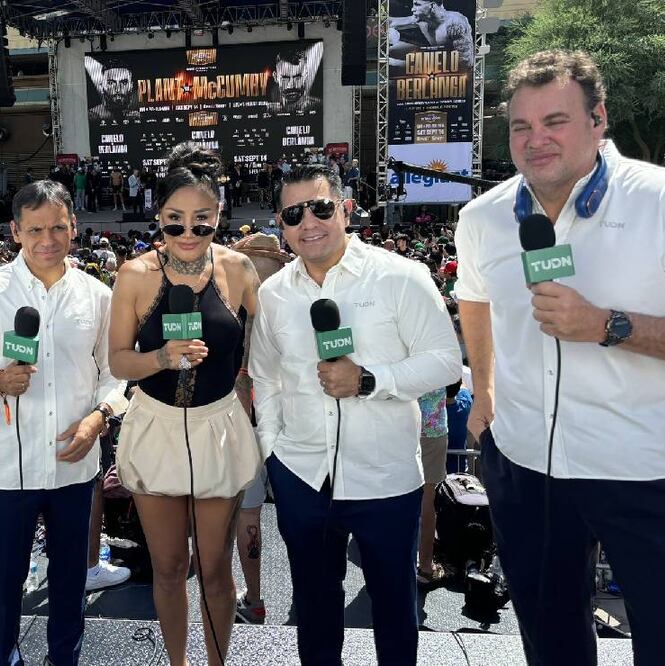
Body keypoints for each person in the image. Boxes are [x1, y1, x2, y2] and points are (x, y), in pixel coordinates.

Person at [454, 50, 665, 666]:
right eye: (521, 127)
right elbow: (475, 300)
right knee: (552, 647)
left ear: (599, 119)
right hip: (527, 466)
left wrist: (606, 325)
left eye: (555, 121)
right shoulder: (483, 217)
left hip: (649, 468)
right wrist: (484, 393)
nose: (535, 139)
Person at [250, 164, 461, 665]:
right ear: (281, 224)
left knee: (393, 609)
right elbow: (266, 377)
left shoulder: (401, 277)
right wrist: (272, 452)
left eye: (321, 208)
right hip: (302, 474)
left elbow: (444, 362)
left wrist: (369, 381)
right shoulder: (274, 294)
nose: (309, 222)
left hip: (386, 479)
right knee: (314, 610)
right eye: (294, 213)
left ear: (345, 210)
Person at [0, 180, 126, 665]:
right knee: (2, 585)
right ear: (15, 231)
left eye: (59, 227)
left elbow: (115, 376)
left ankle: (64, 659)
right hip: (8, 470)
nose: (48, 239)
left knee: (70, 582)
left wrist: (99, 419)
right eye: (36, 229)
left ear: (74, 227)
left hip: (74, 466)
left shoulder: (96, 294)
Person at [108, 143, 262, 666]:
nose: (189, 234)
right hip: (156, 426)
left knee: (216, 566)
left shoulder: (240, 270)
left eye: (203, 220)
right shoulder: (134, 275)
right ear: (158, 218)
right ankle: (177, 662)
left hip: (218, 425)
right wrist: (159, 358)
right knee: (171, 565)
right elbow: (118, 362)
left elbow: (269, 350)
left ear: (221, 214)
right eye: (175, 222)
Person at [228, 233, 293, 625]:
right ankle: (308, 590)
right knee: (298, 513)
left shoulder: (227, 301)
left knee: (247, 516)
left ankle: (254, 599)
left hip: (243, 415)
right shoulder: (291, 298)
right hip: (289, 417)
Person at [415, 387, 448, 585]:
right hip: (433, 428)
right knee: (428, 500)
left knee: (395, 496)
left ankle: (390, 559)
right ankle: (426, 567)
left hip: (401, 425)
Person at [388, 0, 475, 70]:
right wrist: (377, 17)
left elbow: (464, 63)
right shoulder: (421, 19)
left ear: (432, 6)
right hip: (435, 60)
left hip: (454, 74)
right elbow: (392, 22)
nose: (412, 9)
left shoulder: (455, 24)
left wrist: (397, 63)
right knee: (390, 50)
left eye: (417, 5)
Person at [268, 44, 323, 115]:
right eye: (285, 78)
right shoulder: (267, 110)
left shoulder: (320, 107)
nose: (291, 85)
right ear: (275, 77)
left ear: (306, 75)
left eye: (297, 77)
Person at [85, 57, 139, 122]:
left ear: (131, 86)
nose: (118, 89)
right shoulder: (93, 116)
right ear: (101, 86)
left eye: (124, 83)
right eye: (111, 83)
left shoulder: (143, 110)